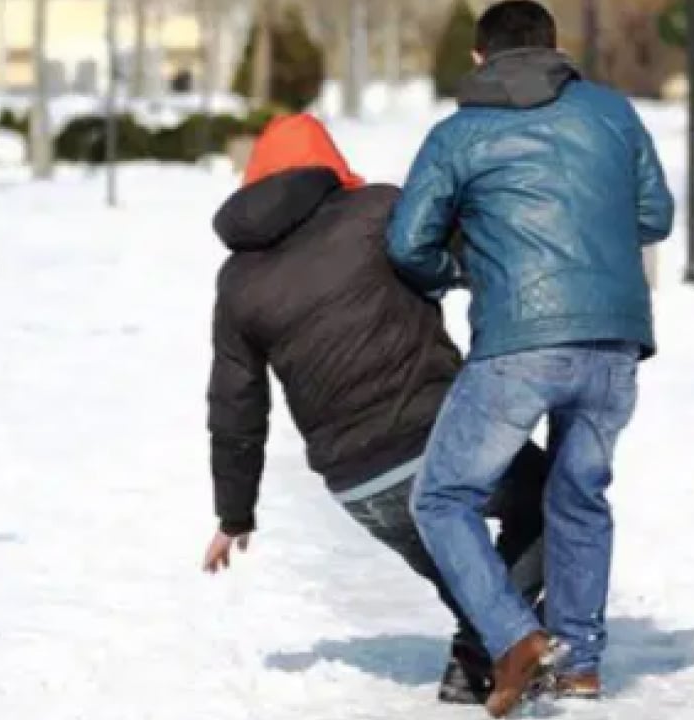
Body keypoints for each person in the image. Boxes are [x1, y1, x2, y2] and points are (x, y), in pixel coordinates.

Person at [386, 2, 675, 716]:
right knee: (580, 494)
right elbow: (656, 215)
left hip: (518, 342)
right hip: (614, 339)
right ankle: (577, 662)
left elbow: (406, 243)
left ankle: (513, 637)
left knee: (443, 496)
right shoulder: (611, 113)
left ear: (478, 58)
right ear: (557, 48)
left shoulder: (457, 134)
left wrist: (460, 267)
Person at [202, 113, 550, 705]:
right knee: (554, 499)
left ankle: (480, 659)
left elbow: (236, 405)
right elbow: (476, 257)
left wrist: (234, 514)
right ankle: (485, 648)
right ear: (330, 165)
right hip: (441, 438)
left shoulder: (237, 281)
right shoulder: (379, 212)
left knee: (469, 580)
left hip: (358, 483)